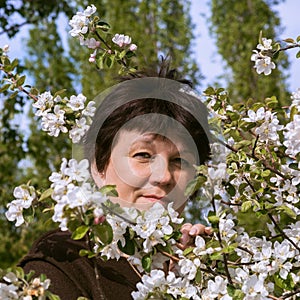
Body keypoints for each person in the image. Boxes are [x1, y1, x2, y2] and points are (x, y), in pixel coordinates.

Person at [20, 63, 212, 299]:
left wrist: (199, 277)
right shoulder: (62, 262)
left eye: (180, 161)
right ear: (98, 166)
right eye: (143, 155)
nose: (163, 177)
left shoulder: (212, 268)